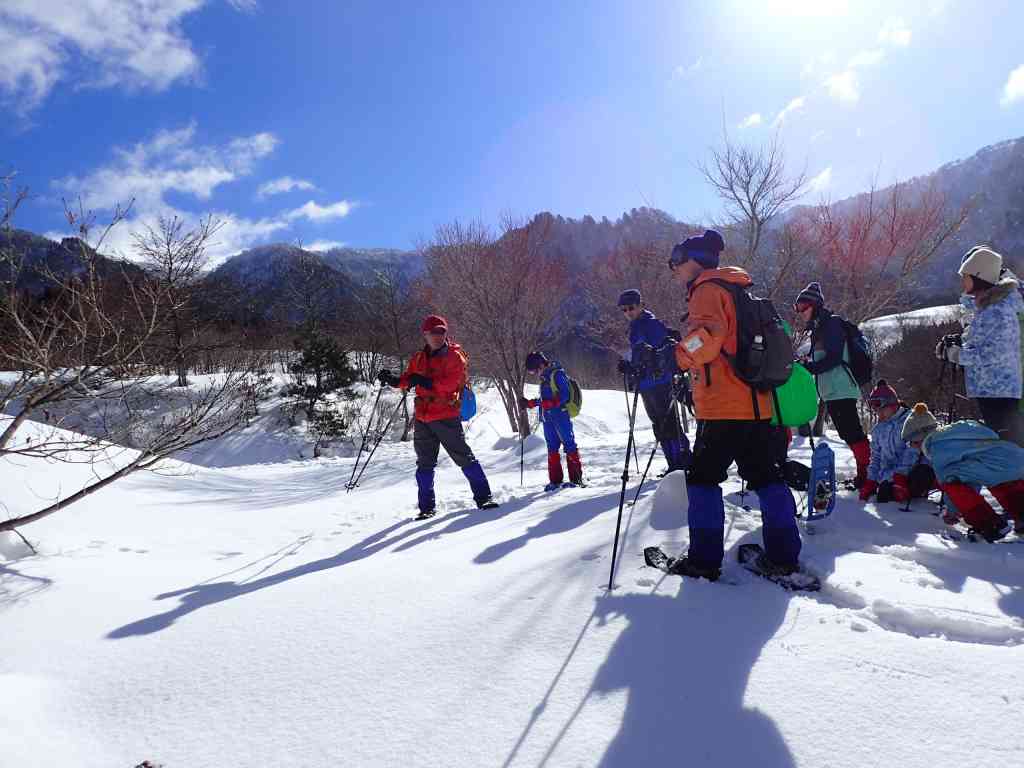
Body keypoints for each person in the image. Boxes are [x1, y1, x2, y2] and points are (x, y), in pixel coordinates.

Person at [658, 229, 803, 580]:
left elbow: (706, 339)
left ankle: (703, 561)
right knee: (767, 477)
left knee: (703, 481)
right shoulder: (739, 291)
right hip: (758, 406)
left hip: (723, 407)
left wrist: (674, 357)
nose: (674, 268)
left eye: (677, 260)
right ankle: (784, 557)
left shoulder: (706, 289)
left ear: (695, 261)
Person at [377, 314, 498, 519]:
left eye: (441, 331)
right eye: (433, 332)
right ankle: (426, 508)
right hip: (423, 418)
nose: (437, 336)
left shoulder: (454, 356)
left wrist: (424, 382)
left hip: (446, 415)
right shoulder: (419, 357)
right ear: (425, 334)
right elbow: (409, 379)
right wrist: (393, 380)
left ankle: (484, 497)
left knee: (463, 457)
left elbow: (451, 384)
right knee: (424, 464)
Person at [934, 246, 1024, 447]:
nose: (962, 281)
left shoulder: (997, 311)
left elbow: (995, 353)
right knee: (1004, 443)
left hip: (999, 390)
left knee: (1009, 446)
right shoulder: (988, 308)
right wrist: (956, 347)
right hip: (992, 388)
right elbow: (984, 344)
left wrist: (959, 355)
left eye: (966, 276)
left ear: (979, 276)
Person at [901, 403, 1024, 541]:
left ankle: (990, 525)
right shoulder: (956, 431)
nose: (912, 447)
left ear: (919, 439)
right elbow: (973, 472)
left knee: (951, 483)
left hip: (996, 467)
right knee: (1001, 482)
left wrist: (953, 512)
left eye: (911, 443)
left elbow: (952, 482)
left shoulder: (938, 449)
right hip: (1016, 460)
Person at [794, 282, 872, 487]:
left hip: (841, 387)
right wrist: (808, 364)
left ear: (814, 305)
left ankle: (868, 475)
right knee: (849, 433)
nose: (800, 311)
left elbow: (835, 358)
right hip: (833, 390)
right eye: (798, 307)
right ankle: (866, 474)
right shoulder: (820, 328)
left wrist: (811, 368)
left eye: (803, 306)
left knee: (852, 433)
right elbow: (826, 357)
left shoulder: (831, 324)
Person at [615, 288, 691, 473]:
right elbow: (640, 357)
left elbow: (663, 352)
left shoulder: (651, 324)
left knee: (668, 424)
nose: (628, 312)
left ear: (641, 305)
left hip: (660, 382)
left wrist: (649, 360)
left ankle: (683, 462)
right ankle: (673, 464)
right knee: (658, 425)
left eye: (631, 307)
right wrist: (630, 367)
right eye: (624, 309)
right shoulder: (635, 327)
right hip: (646, 384)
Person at [859, 380, 936, 504]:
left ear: (893, 405)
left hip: (915, 471)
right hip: (892, 475)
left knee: (920, 477)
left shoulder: (911, 421)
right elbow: (876, 457)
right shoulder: (878, 429)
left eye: (881, 409)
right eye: (875, 410)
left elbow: (913, 450)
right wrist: (871, 481)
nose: (878, 413)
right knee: (884, 495)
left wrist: (901, 476)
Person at [517, 352, 584, 490]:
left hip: (560, 416)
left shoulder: (557, 374)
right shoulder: (544, 378)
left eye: (534, 370)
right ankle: (555, 481)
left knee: (569, 445)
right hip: (547, 418)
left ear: (541, 365)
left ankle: (576, 480)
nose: (535, 373)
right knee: (552, 448)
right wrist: (529, 403)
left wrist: (552, 403)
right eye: (532, 372)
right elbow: (544, 400)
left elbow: (565, 395)